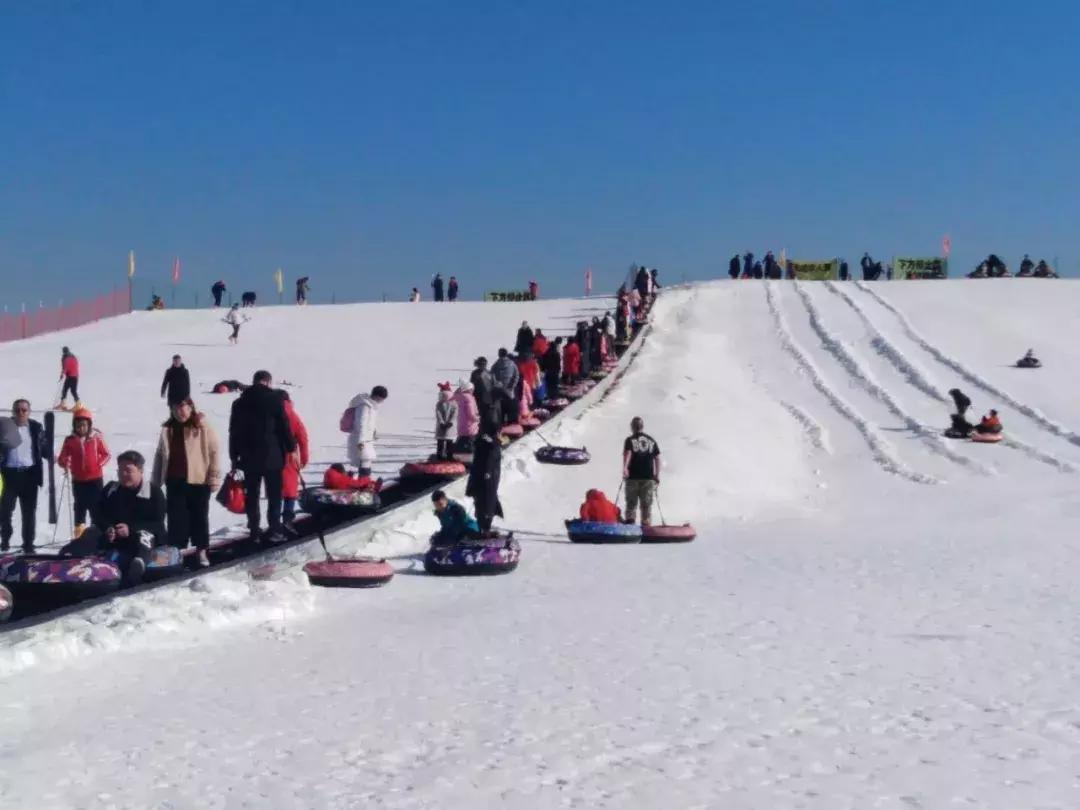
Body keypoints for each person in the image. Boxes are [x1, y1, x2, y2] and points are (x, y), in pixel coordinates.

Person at [61, 450, 166, 584]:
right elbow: (98, 514)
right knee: (91, 532)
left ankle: (139, 565)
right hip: (115, 537)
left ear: (140, 471)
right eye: (120, 470)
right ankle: (68, 556)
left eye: (128, 470)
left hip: (141, 538)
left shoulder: (154, 492)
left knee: (145, 535)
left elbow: (157, 524)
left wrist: (131, 529)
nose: (123, 474)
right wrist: (108, 528)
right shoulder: (112, 489)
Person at [151, 398, 221, 567]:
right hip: (174, 480)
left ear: (190, 407)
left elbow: (214, 452)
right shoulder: (168, 430)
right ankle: (177, 553)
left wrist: (214, 477)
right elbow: (160, 455)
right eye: (175, 407)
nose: (179, 411)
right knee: (176, 519)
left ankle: (202, 550)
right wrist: (155, 482)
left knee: (199, 517)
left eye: (183, 406)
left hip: (198, 479)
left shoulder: (202, 427)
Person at [229, 370, 296, 543]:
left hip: (248, 456)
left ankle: (254, 530)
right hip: (273, 456)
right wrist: (291, 447)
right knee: (274, 494)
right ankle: (274, 528)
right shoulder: (275, 400)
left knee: (252, 495)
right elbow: (284, 426)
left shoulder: (239, 403)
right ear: (267, 382)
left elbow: (234, 432)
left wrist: (233, 457)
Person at [1, 400, 46, 552]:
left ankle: (28, 543)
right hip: (9, 475)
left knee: (29, 512)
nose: (21, 413)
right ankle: (5, 540)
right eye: (18, 410)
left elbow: (44, 447)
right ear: (13, 412)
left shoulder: (35, 427)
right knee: (5, 510)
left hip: (29, 475)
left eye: (24, 410)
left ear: (29, 412)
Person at [57, 407, 110, 536]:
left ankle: (96, 534)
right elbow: (62, 457)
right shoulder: (70, 440)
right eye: (78, 425)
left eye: (84, 425)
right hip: (78, 480)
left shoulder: (96, 438)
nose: (81, 428)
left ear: (89, 425)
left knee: (96, 507)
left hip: (95, 479)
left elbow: (106, 454)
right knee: (79, 507)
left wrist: (98, 464)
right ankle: (79, 534)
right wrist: (65, 463)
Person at [279, 391, 309, 530]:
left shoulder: (267, 413)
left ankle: (274, 522)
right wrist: (304, 457)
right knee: (290, 490)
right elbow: (302, 437)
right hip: (290, 457)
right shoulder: (292, 414)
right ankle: (287, 519)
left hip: (269, 457)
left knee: (275, 490)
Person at [622, 416, 660, 526]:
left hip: (633, 476)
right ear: (642, 426)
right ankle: (646, 524)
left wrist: (625, 468)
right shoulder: (651, 440)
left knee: (631, 502)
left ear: (632, 427)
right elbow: (657, 458)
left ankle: (630, 523)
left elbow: (628, 453)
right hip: (648, 477)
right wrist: (657, 475)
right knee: (646, 503)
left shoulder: (630, 440)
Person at [346, 385, 388, 477]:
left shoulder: (371, 406)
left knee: (365, 462)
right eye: (382, 398)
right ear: (377, 396)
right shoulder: (365, 406)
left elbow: (370, 423)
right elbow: (361, 424)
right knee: (364, 462)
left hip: (366, 439)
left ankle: (362, 484)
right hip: (361, 440)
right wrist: (361, 441)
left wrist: (374, 432)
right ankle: (361, 485)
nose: (382, 401)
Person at [466, 428, 502, 535]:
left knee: (487, 505)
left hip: (488, 477)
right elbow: (486, 459)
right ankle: (484, 529)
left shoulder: (492, 442)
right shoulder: (489, 441)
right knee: (484, 505)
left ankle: (485, 529)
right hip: (485, 478)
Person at [491, 349, 520, 425]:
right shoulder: (512, 364)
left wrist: (497, 385)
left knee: (501, 412)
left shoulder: (496, 365)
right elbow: (516, 375)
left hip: (499, 392)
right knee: (512, 410)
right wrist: (512, 386)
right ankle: (513, 426)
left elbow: (492, 376)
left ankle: (502, 426)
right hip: (510, 392)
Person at [452, 380, 479, 455]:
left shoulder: (459, 397)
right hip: (470, 426)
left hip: (461, 424)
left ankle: (456, 452)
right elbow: (470, 414)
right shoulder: (469, 399)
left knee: (462, 440)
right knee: (470, 442)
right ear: (469, 389)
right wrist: (477, 419)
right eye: (472, 389)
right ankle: (470, 455)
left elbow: (453, 397)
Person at [470, 357, 498, 429]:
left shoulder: (490, 373)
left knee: (487, 416)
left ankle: (486, 430)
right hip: (478, 398)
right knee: (479, 415)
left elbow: (494, 385)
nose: (483, 366)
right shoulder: (474, 373)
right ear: (478, 364)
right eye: (481, 364)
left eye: (484, 364)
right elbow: (472, 385)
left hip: (488, 398)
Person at [435, 382, 457, 460]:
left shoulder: (440, 403)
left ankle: (443, 457)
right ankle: (447, 456)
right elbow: (454, 414)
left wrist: (442, 422)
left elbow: (438, 414)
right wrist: (450, 422)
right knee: (447, 442)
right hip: (448, 427)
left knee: (443, 443)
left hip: (445, 426)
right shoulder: (453, 403)